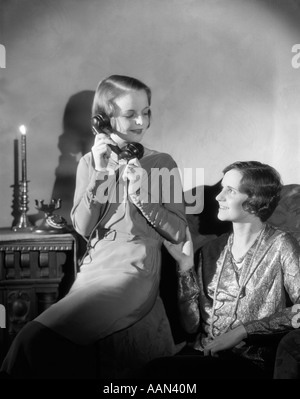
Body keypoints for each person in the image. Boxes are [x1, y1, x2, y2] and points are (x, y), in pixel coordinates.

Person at [1, 75, 187, 379]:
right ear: (103, 119)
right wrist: (101, 173)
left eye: (146, 111)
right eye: (130, 114)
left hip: (135, 270)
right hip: (94, 270)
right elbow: (85, 228)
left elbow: (178, 233)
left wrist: (143, 196)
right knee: (31, 344)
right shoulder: (90, 163)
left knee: (32, 341)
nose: (141, 121)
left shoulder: (162, 163)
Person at [143, 161, 300, 379]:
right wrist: (185, 268)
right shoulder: (211, 250)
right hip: (203, 355)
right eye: (222, 188)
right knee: (153, 371)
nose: (218, 196)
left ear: (254, 200)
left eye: (230, 190)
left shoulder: (282, 244)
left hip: (250, 361)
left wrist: (243, 331)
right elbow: (191, 326)